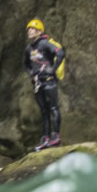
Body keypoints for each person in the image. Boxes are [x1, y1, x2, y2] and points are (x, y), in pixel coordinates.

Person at [24, 18, 65, 151]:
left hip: (49, 81)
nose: (29, 31)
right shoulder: (29, 48)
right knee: (44, 111)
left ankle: (56, 136)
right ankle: (46, 137)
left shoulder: (45, 44)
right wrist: (31, 75)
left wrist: (52, 70)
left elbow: (60, 53)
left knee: (53, 108)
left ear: (39, 31)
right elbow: (26, 64)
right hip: (38, 83)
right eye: (29, 29)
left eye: (32, 29)